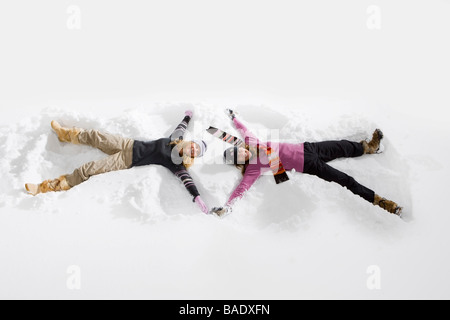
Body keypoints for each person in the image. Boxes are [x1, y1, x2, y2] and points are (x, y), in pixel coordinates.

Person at [211, 109, 402, 217]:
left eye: (241, 150)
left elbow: (244, 130)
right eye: (240, 156)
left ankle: (368, 147)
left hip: (309, 148)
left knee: (342, 146)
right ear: (240, 162)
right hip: (308, 165)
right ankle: (380, 201)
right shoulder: (253, 168)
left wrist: (233, 118)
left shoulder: (252, 143)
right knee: (345, 179)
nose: (243, 153)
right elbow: (242, 189)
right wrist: (228, 207)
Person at [25, 110, 210, 214]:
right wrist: (187, 116)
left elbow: (188, 181)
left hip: (128, 159)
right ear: (191, 142)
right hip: (128, 144)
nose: (192, 149)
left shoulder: (178, 164)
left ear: (193, 156)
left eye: (196, 152)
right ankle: (63, 134)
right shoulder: (176, 139)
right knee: (96, 136)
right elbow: (181, 127)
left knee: (89, 168)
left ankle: (48, 187)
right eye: (194, 146)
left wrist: (197, 197)